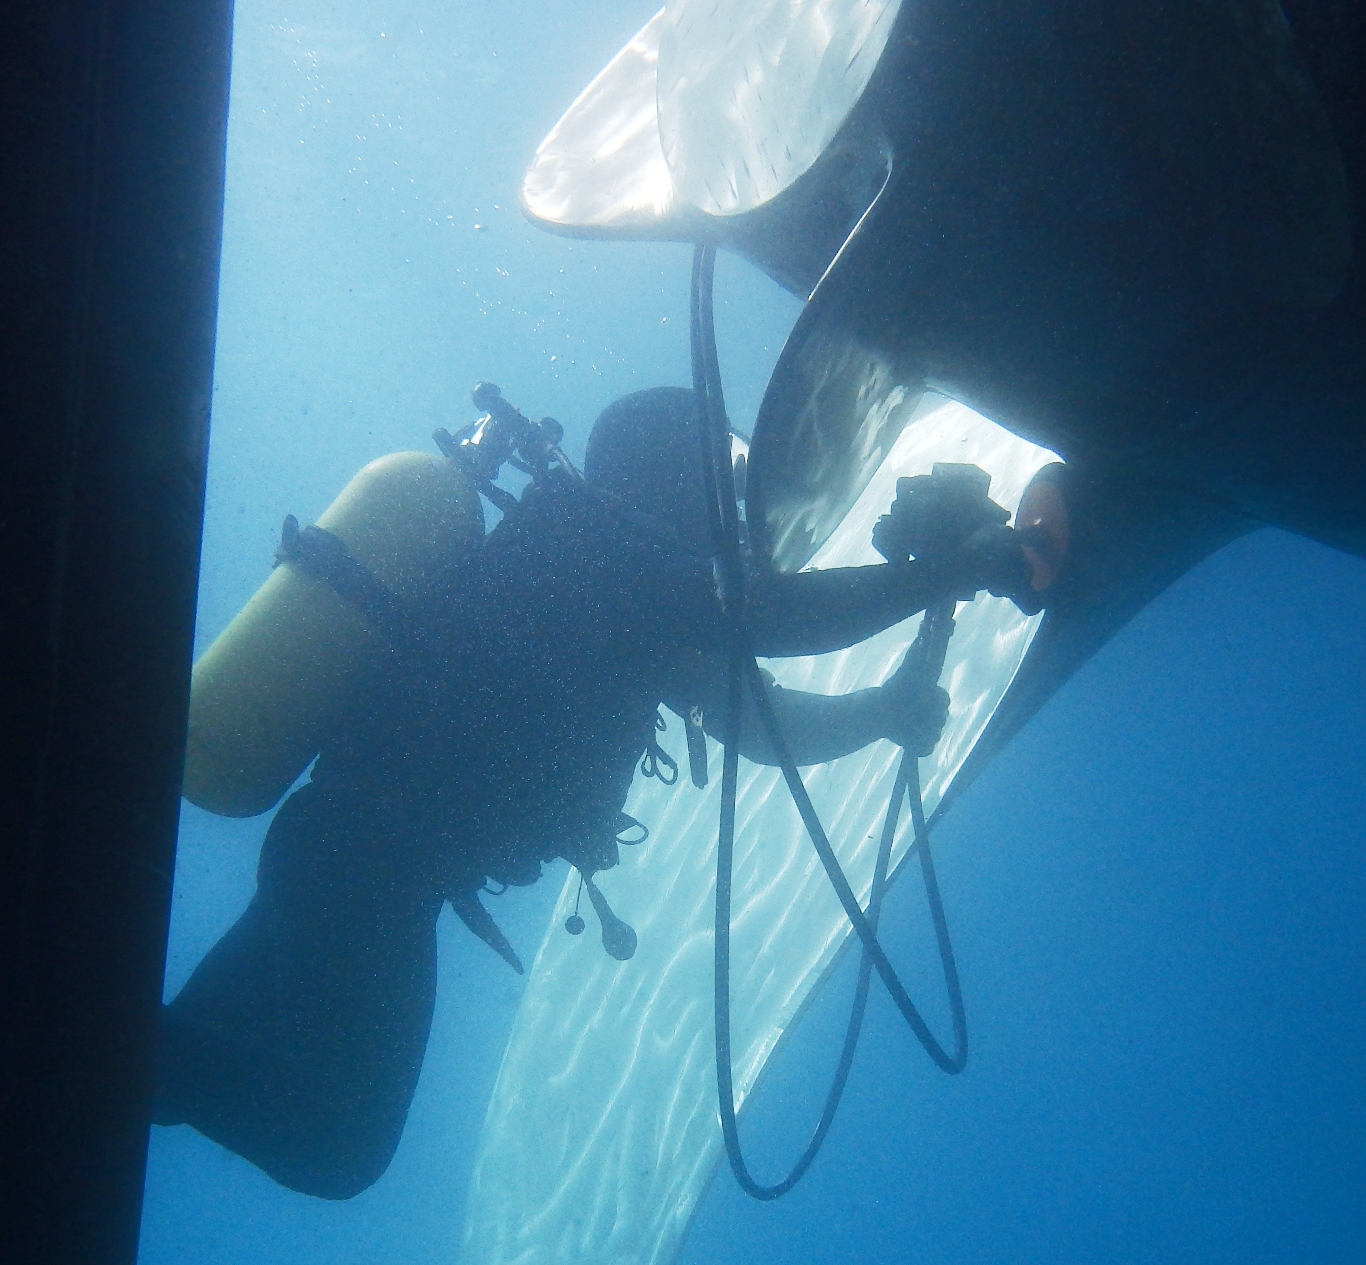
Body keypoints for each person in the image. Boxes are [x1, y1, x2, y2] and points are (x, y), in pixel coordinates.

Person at [152, 387, 1027, 1198]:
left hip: (352, 852)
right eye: (719, 479)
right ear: (671, 476)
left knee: (175, 1061)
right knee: (335, 1141)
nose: (732, 511)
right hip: (368, 864)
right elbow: (770, 618)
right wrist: (946, 572)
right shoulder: (599, 546)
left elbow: (756, 722)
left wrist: (876, 711)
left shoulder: (621, 585)